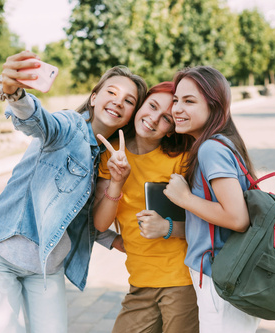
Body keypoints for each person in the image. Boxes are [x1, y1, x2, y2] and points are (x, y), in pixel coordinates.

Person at [0, 50, 147, 333]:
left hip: (47, 266)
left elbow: (81, 213)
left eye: (129, 101)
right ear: (94, 98)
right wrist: (15, 95)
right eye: (111, 92)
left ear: (130, 117)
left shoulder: (109, 158)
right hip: (2, 251)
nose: (118, 101)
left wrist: (120, 241)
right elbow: (39, 121)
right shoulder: (69, 126)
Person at [93, 82, 198, 333]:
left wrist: (168, 227)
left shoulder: (182, 161)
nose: (153, 119)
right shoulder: (111, 155)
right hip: (139, 282)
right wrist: (117, 182)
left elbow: (208, 223)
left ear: (172, 130)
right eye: (151, 106)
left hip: (181, 281)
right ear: (141, 104)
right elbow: (100, 224)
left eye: (166, 119)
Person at [163, 66, 261, 332]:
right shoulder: (222, 143)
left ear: (214, 106)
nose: (177, 109)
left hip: (219, 274)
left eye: (189, 101)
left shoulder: (210, 149)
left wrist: (184, 198)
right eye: (176, 100)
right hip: (226, 272)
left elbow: (237, 218)